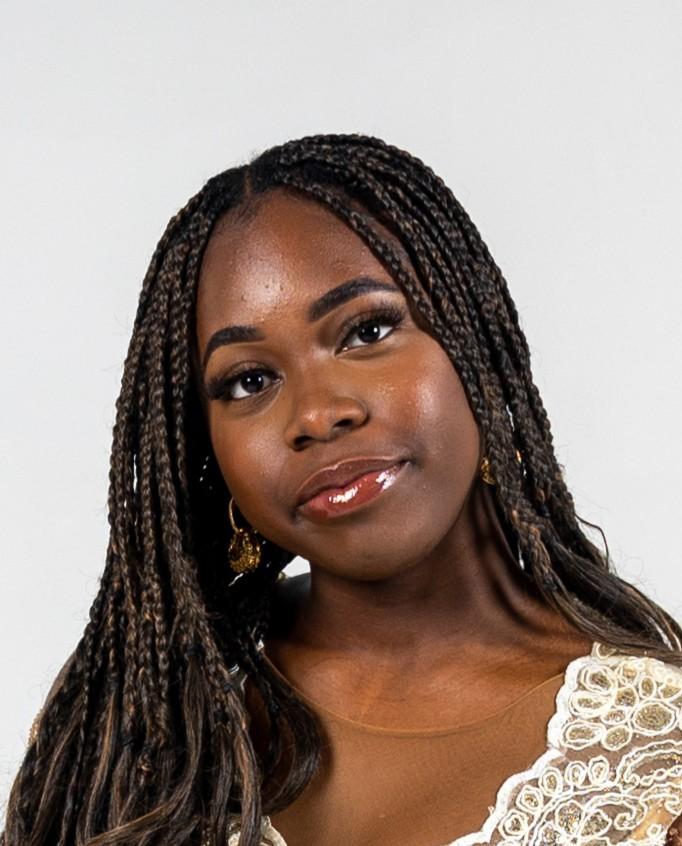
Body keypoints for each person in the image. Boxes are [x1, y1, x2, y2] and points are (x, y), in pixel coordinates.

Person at [3, 134, 682, 846]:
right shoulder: (138, 735)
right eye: (250, 381)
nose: (317, 414)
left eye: (367, 330)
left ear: (474, 345)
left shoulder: (657, 769)